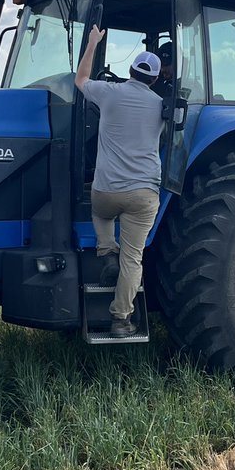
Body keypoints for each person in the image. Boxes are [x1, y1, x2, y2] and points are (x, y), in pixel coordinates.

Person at [75, 25, 164, 337]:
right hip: (143, 196)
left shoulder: (108, 93)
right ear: (154, 79)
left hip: (107, 192)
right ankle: (121, 320)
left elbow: (81, 79)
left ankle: (105, 250)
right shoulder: (160, 105)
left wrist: (92, 43)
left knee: (99, 211)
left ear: (129, 71)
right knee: (133, 259)